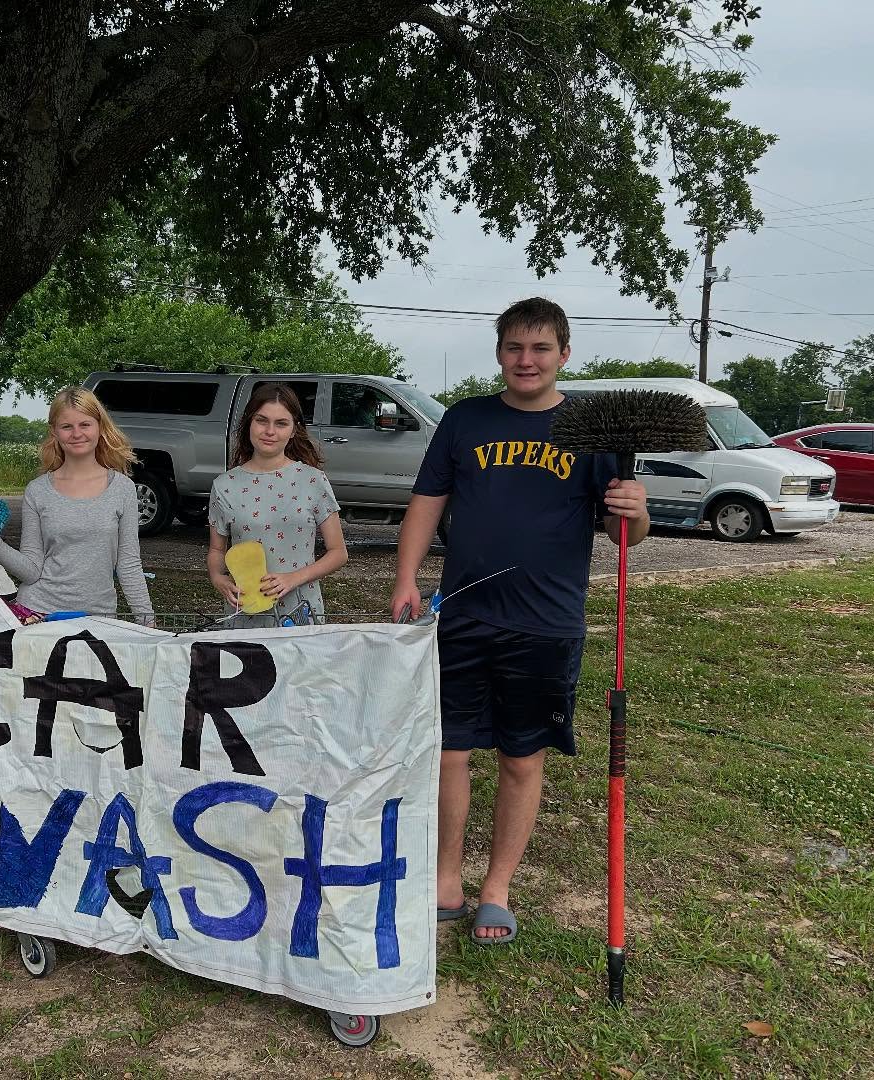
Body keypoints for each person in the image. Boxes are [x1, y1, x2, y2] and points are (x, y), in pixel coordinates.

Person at [388, 298, 650, 946]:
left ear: (564, 354)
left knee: (521, 757)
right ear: (500, 352)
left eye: (539, 349)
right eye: (514, 347)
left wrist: (636, 510)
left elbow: (625, 533)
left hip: (546, 625)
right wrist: (406, 578)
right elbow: (427, 502)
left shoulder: (589, 432)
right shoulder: (465, 419)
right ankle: (446, 882)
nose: (525, 360)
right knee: (448, 751)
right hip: (463, 615)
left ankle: (497, 890)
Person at [0, 387, 155, 624]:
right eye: (67, 426)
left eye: (85, 424)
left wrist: (148, 623)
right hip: (38, 615)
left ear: (100, 426)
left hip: (98, 618)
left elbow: (128, 564)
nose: (77, 434)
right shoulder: (37, 491)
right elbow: (31, 571)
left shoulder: (123, 488)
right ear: (54, 431)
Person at [207, 383, 348, 626]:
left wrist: (294, 578)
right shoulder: (224, 485)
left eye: (281, 423)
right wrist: (217, 577)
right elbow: (217, 550)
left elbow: (338, 553)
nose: (270, 431)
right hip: (246, 616)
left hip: (301, 612)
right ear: (249, 423)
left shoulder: (313, 480)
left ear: (293, 430)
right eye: (262, 420)